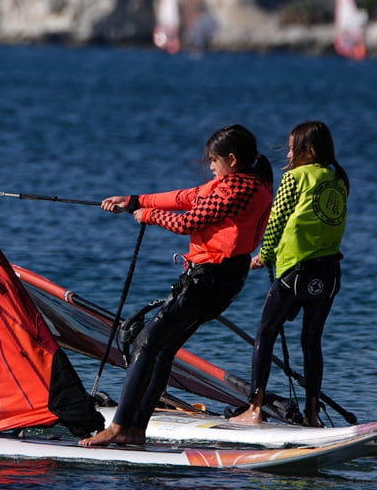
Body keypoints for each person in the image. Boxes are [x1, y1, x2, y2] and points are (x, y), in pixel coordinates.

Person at [80, 124, 274, 447]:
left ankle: (120, 427)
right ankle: (134, 429)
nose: (211, 167)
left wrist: (147, 215)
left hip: (210, 279)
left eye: (213, 161)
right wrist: (133, 200)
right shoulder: (242, 184)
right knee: (162, 349)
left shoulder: (239, 190)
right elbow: (187, 197)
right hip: (219, 279)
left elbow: (190, 221)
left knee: (147, 343)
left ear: (232, 159)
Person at [229, 121, 348, 428]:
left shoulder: (294, 178)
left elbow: (277, 221)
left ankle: (254, 409)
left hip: (296, 269)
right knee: (312, 341)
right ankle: (311, 414)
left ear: (309, 150)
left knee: (266, 333)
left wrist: (263, 257)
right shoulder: (339, 177)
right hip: (330, 272)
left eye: (294, 148)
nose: (289, 153)